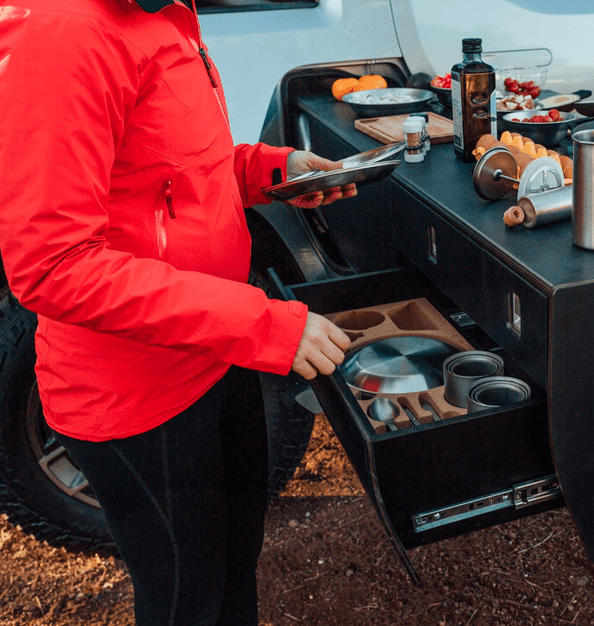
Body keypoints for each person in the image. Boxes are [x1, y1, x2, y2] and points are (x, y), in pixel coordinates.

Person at [0, 1, 355, 624]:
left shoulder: (165, 11)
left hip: (214, 357)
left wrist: (273, 170)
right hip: (136, 397)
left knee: (233, 570)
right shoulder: (64, 31)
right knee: (184, 601)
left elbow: (171, 174)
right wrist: (260, 324)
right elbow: (53, 265)